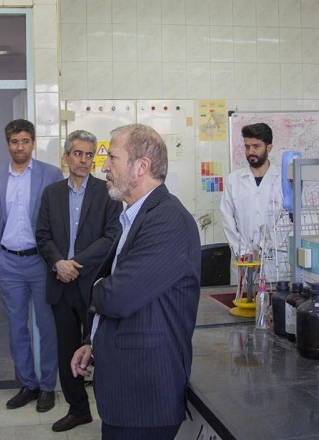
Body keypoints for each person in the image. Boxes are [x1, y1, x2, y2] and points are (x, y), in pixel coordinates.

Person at [70, 124, 201, 440]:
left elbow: (118, 297)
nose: (103, 167)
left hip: (144, 399)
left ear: (141, 166)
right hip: (126, 391)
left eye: (112, 158)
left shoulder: (168, 220)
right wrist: (93, 342)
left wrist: (97, 286)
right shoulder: (134, 216)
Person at [36, 130, 122, 432]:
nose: (84, 160)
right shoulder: (51, 193)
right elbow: (42, 237)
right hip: (60, 284)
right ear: (66, 157)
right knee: (67, 349)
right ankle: (78, 409)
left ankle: (110, 411)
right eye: (78, 154)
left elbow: (112, 236)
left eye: (89, 155)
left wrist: (75, 264)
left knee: (100, 349)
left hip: (93, 284)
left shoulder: (107, 191)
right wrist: (58, 264)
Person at [0, 119, 63, 413]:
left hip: (41, 263)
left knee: (47, 327)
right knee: (17, 328)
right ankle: (28, 384)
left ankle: (48, 386)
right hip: (9, 263)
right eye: (15, 142)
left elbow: (57, 220)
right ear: (8, 144)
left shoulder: (50, 174)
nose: (20, 147)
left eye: (25, 141)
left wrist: (55, 259)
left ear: (33, 142)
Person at [220, 123, 282, 280]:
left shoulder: (282, 180)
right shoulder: (234, 180)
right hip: (242, 260)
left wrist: (261, 249)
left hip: (273, 261)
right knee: (241, 295)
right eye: (247, 147)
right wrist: (245, 253)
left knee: (273, 294)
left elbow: (287, 219)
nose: (250, 152)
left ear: (269, 147)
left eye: (256, 146)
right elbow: (227, 220)